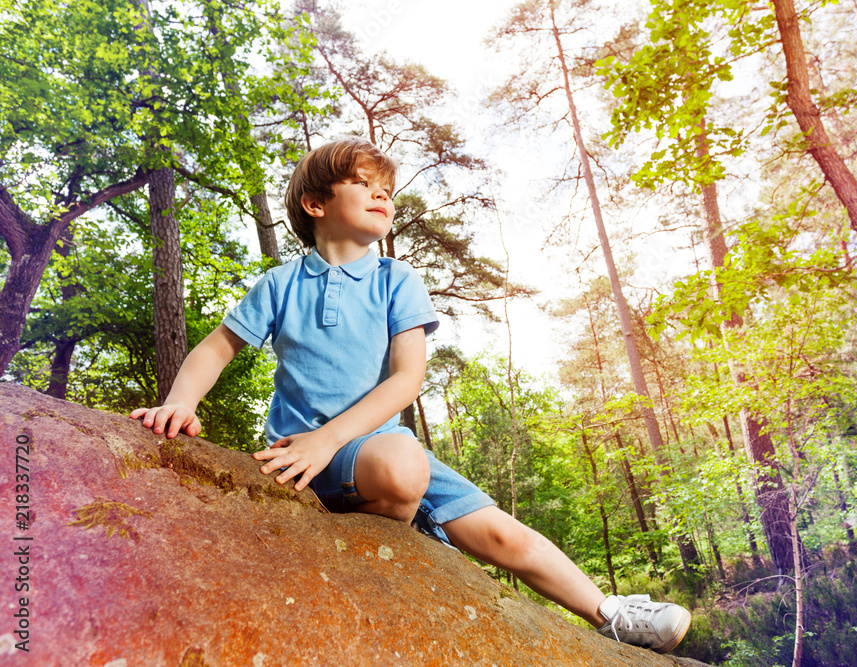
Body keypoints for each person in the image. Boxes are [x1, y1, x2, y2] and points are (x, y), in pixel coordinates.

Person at [129, 137, 690, 654]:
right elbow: (215, 349)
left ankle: (609, 613)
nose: (381, 194)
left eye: (387, 189)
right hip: (303, 459)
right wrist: (182, 402)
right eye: (363, 183)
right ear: (315, 205)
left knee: (494, 526)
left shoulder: (396, 280)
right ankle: (393, 518)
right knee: (404, 463)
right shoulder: (280, 284)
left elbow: (405, 381)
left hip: (378, 451)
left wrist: (334, 440)